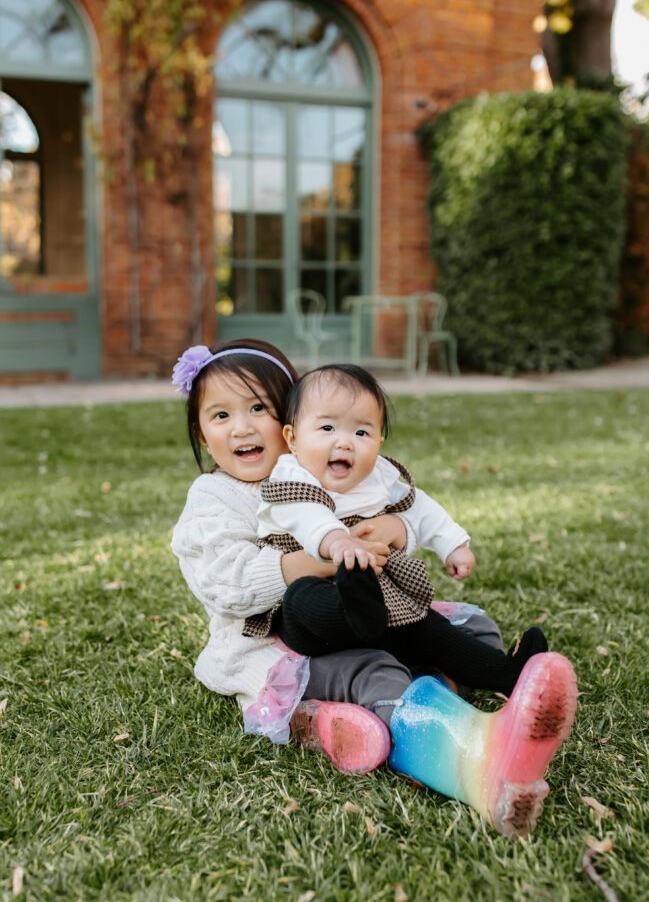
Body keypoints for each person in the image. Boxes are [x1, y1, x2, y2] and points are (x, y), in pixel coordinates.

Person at [171, 340, 577, 838]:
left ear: (290, 423)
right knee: (374, 670)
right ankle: (474, 758)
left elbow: (404, 512)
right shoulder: (213, 496)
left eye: (259, 408)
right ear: (201, 434)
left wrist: (396, 532)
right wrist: (315, 560)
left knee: (471, 625)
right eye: (220, 415)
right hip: (281, 641)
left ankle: (437, 688)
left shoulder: (325, 464)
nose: (242, 426)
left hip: (375, 611)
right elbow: (223, 584)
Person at [258, 363, 550, 699]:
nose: (345, 442)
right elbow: (306, 515)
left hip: (382, 605)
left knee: (430, 630)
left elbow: (421, 508)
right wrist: (338, 541)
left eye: (362, 433)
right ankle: (353, 606)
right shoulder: (291, 478)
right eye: (327, 427)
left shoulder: (379, 477)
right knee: (301, 595)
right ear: (292, 439)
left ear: (379, 441)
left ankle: (508, 675)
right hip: (314, 621)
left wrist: (452, 545)